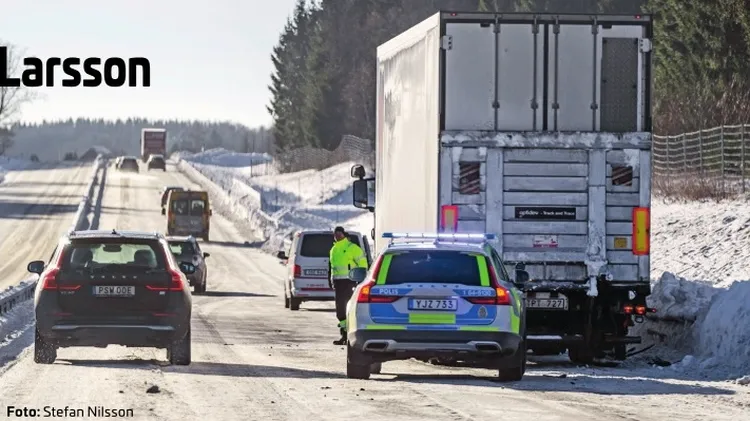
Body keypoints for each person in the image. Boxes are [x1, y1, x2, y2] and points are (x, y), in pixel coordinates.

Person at [329, 226, 368, 345]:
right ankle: (344, 335)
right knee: (340, 311)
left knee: (349, 309)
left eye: (339, 234)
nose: (337, 236)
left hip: (350, 282)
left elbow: (363, 264)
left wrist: (360, 279)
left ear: (344, 234)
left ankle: (351, 336)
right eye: (335, 235)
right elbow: (332, 267)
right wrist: (331, 279)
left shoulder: (352, 248)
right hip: (338, 283)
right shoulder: (333, 249)